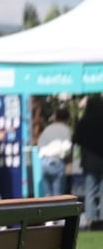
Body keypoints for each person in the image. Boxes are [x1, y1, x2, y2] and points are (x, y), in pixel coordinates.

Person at [73, 96, 103, 228]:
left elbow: (75, 140)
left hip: (89, 162)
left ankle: (91, 219)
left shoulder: (84, 121)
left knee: (90, 191)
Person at [37, 106, 72, 197]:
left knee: (48, 195)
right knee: (58, 196)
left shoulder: (47, 129)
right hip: (57, 161)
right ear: (67, 118)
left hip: (44, 162)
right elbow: (67, 148)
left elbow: (40, 144)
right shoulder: (66, 129)